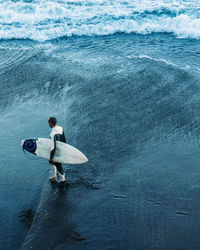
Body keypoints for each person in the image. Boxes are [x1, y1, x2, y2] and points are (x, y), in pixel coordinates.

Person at [48, 117, 66, 183]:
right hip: (61, 147)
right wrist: (64, 148)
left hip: (56, 150)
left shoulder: (52, 134)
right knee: (52, 162)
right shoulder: (61, 128)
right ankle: (54, 176)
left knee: (58, 164)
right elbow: (64, 139)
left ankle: (62, 180)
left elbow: (53, 146)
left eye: (48, 122)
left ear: (50, 123)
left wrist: (51, 157)